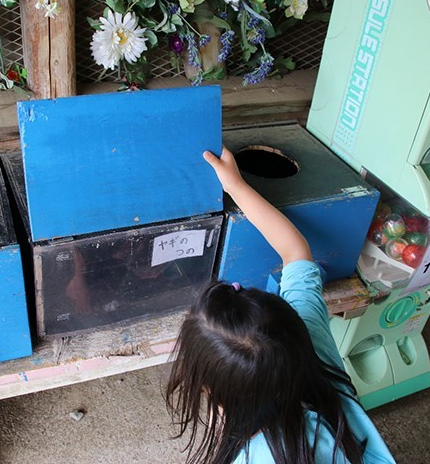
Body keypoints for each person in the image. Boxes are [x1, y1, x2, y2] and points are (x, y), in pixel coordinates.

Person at [165, 146, 396, 464]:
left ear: (212, 391)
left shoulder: (255, 457)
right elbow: (296, 252)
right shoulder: (308, 331)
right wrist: (236, 186)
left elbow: (296, 252)